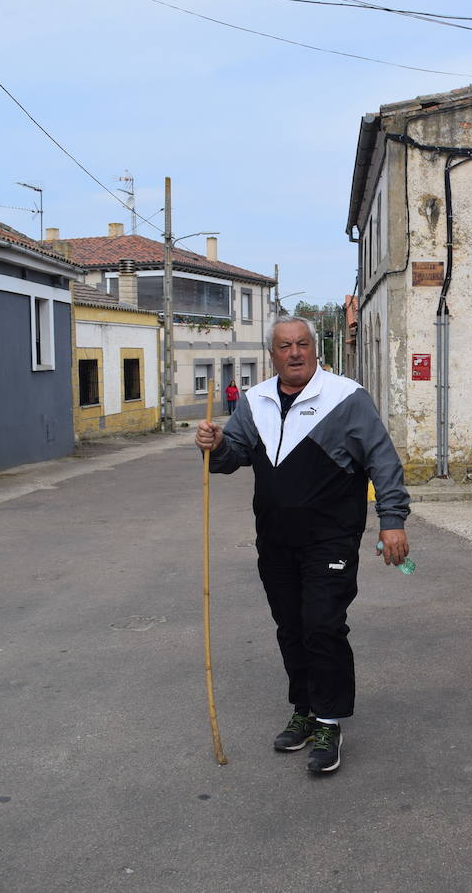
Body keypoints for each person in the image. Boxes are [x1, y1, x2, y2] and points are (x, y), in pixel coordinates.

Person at [194, 316, 410, 775]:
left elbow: (382, 460)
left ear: (315, 348)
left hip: (330, 538)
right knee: (291, 628)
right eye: (284, 346)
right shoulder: (256, 401)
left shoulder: (346, 398)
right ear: (272, 354)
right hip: (275, 540)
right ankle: (305, 710)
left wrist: (392, 521)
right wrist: (215, 444)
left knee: (323, 625)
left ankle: (329, 720)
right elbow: (232, 456)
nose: (295, 353)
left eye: (302, 344)